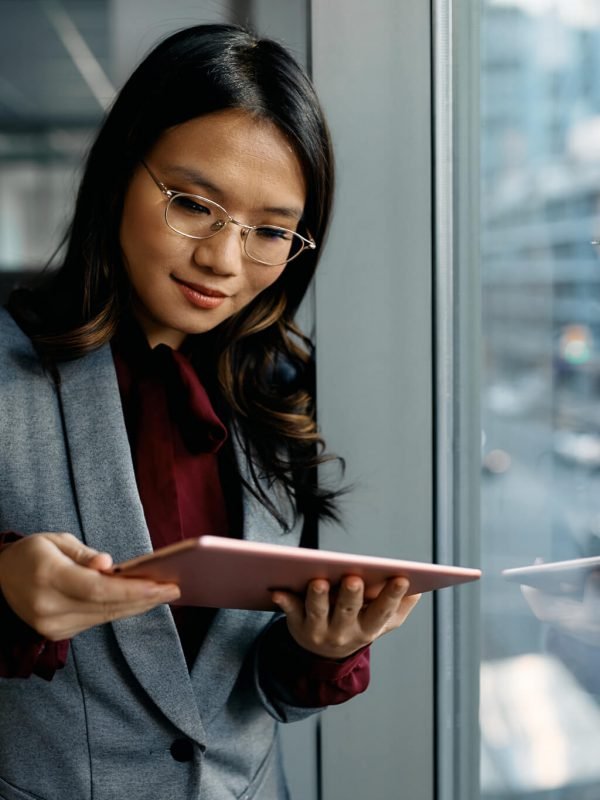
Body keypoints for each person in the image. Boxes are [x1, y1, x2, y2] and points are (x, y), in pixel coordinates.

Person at [0, 24, 420, 800]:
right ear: (120, 173)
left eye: (269, 231)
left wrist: (318, 646)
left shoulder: (273, 390)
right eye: (194, 204)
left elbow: (240, 695)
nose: (224, 261)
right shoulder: (8, 367)